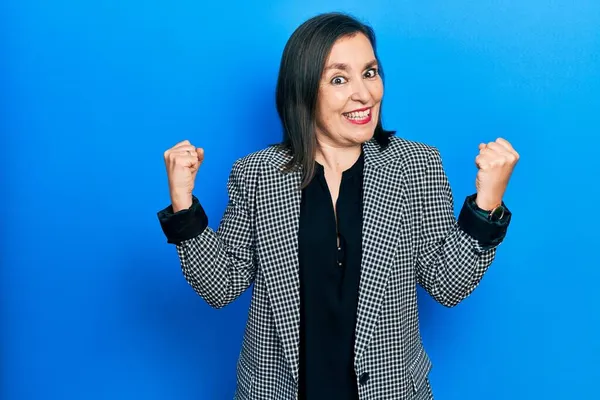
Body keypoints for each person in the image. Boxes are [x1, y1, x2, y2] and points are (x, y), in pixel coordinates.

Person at [157, 12, 518, 400]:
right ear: (304, 89)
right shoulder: (257, 175)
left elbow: (448, 285)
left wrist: (487, 203)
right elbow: (220, 285)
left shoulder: (417, 166)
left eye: (370, 72)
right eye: (339, 79)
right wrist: (183, 203)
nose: (364, 93)